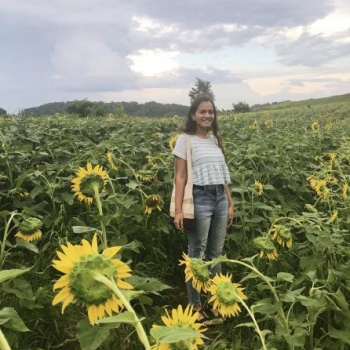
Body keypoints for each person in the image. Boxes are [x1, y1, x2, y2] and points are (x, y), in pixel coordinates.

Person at [172, 94, 234, 322]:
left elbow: (222, 175)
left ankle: (215, 300)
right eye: (203, 112)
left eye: (211, 112)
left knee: (215, 255)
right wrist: (178, 210)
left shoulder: (214, 140)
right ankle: (195, 305)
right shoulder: (185, 140)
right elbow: (180, 176)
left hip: (219, 197)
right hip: (199, 198)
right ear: (193, 115)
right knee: (196, 255)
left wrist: (229, 201)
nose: (208, 115)